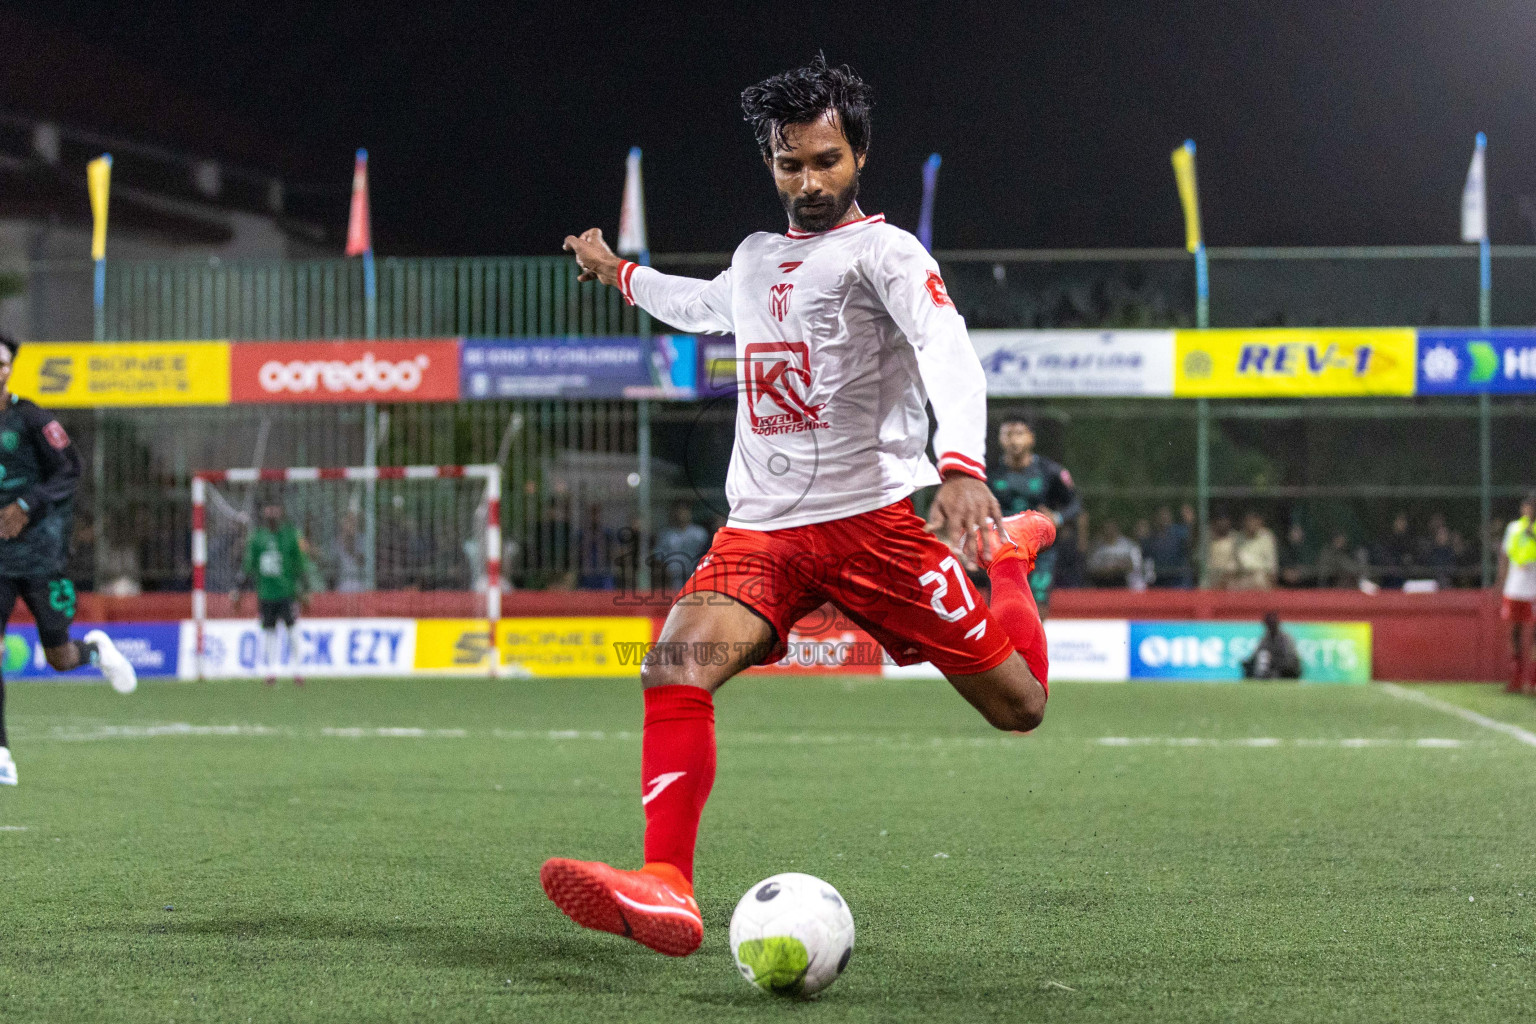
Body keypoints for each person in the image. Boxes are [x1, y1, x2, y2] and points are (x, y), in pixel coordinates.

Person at [545, 56, 1054, 958]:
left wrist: (962, 465)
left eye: (826, 161)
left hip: (877, 527)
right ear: (772, 163)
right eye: (791, 165)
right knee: (672, 666)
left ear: (858, 153)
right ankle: (667, 885)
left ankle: (1008, 556)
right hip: (762, 531)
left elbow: (947, 346)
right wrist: (619, 273)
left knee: (1020, 706)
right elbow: (701, 306)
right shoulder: (754, 257)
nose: (809, 182)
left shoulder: (886, 253)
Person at [0, 335, 137, 785]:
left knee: (59, 655)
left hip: (40, 556)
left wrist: (26, 505)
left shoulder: (33, 418)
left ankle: (94, 649)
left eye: (1, 363)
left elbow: (70, 470)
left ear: (9, 369)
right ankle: (2, 755)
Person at [987, 417, 1080, 615]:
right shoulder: (990, 473)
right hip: (1003, 550)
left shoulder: (1050, 471)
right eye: (1008, 434)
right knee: (1003, 606)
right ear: (1000, 439)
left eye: (1019, 434)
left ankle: (1034, 646)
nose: (1014, 440)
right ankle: (1006, 646)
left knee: (1038, 605)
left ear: (1031, 438)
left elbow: (1075, 505)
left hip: (1041, 552)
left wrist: (1058, 518)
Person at [230, 502, 311, 687]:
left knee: (292, 630)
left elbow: (300, 563)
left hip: (287, 592)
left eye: (275, 508)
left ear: (281, 512)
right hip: (266, 593)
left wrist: (305, 589)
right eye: (268, 509)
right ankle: (271, 669)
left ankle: (298, 669)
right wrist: (237, 589)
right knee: (268, 631)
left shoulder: (290, 535)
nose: (272, 512)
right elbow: (248, 566)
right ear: (264, 513)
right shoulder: (257, 538)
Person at [1498, 493, 1536, 692]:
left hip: (1533, 591)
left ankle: (1533, 680)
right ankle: (1516, 678)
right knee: (1514, 633)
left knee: (1534, 636)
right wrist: (1500, 581)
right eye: (1526, 506)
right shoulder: (1513, 528)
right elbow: (1504, 554)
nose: (1527, 510)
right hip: (1514, 589)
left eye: (1531, 507)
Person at [651, 501, 710, 591]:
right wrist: (665, 571)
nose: (681, 514)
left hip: (695, 576)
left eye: (684, 511)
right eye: (679, 511)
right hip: (673, 578)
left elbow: (707, 555)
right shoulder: (666, 534)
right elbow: (658, 556)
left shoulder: (700, 533)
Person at [1087, 519, 1150, 589]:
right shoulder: (1098, 547)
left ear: (1116, 529)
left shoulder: (1129, 545)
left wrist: (1121, 566)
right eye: (1106, 529)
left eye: (1111, 529)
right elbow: (1091, 567)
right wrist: (1105, 569)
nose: (1109, 532)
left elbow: (1137, 566)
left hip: (1126, 583)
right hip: (1102, 583)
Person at [1144, 505, 1193, 588]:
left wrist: (1190, 524)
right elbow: (1146, 559)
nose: (1164, 517)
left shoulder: (1179, 531)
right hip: (1159, 581)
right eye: (1161, 515)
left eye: (1166, 514)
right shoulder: (1151, 537)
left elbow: (1190, 543)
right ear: (1156, 518)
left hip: (1179, 580)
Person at [1242, 612, 1302, 680]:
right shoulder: (1264, 640)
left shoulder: (1285, 639)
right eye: (1269, 624)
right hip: (1270, 668)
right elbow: (1256, 655)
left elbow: (1290, 660)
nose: (1271, 626)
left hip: (1285, 669)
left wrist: (1274, 663)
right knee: (1261, 658)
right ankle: (1261, 677)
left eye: (1273, 623)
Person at [1231, 511, 1279, 590]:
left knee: (1259, 581)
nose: (1251, 523)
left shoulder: (1267, 537)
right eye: (1249, 520)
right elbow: (1233, 565)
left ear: (1260, 522)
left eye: (1254, 520)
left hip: (1261, 576)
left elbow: (1272, 566)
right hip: (1243, 576)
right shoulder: (1238, 538)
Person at [1205, 515, 1239, 589]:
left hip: (1230, 577)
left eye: (1225, 520)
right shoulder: (1207, 539)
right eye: (1220, 520)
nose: (1222, 523)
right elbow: (1204, 562)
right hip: (1212, 576)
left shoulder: (1235, 538)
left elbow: (1236, 562)